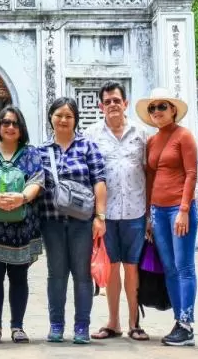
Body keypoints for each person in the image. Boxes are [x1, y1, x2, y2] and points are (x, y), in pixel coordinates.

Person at [39, 96, 107, 344]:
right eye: (59, 115)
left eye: (68, 116)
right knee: (56, 275)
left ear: (75, 119)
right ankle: (56, 325)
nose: (63, 120)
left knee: (81, 274)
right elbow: (37, 185)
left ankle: (82, 326)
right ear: (51, 119)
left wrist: (100, 216)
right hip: (52, 221)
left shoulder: (88, 147)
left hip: (83, 223)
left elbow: (99, 181)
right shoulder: (42, 151)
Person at [86, 81, 148, 341]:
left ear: (125, 103)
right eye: (107, 101)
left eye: (116, 100)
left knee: (132, 268)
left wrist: (151, 215)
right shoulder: (92, 135)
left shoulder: (141, 134)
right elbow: (88, 175)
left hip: (136, 211)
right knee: (111, 269)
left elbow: (149, 171)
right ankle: (113, 322)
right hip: (106, 214)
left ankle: (135, 324)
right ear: (101, 106)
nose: (112, 105)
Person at [0, 105, 43, 344]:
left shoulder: (30, 153)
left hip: (21, 226)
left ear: (21, 127)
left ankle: (18, 326)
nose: (10, 127)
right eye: (5, 122)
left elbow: (37, 179)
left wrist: (22, 197)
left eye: (15, 123)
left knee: (19, 277)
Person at [137, 87, 198, 346]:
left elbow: (192, 174)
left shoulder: (184, 137)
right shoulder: (152, 141)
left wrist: (184, 209)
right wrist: (150, 214)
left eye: (162, 106)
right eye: (152, 108)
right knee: (170, 268)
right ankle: (178, 321)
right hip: (158, 212)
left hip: (178, 209)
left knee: (184, 266)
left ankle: (187, 322)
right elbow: (150, 177)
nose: (157, 112)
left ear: (173, 109)